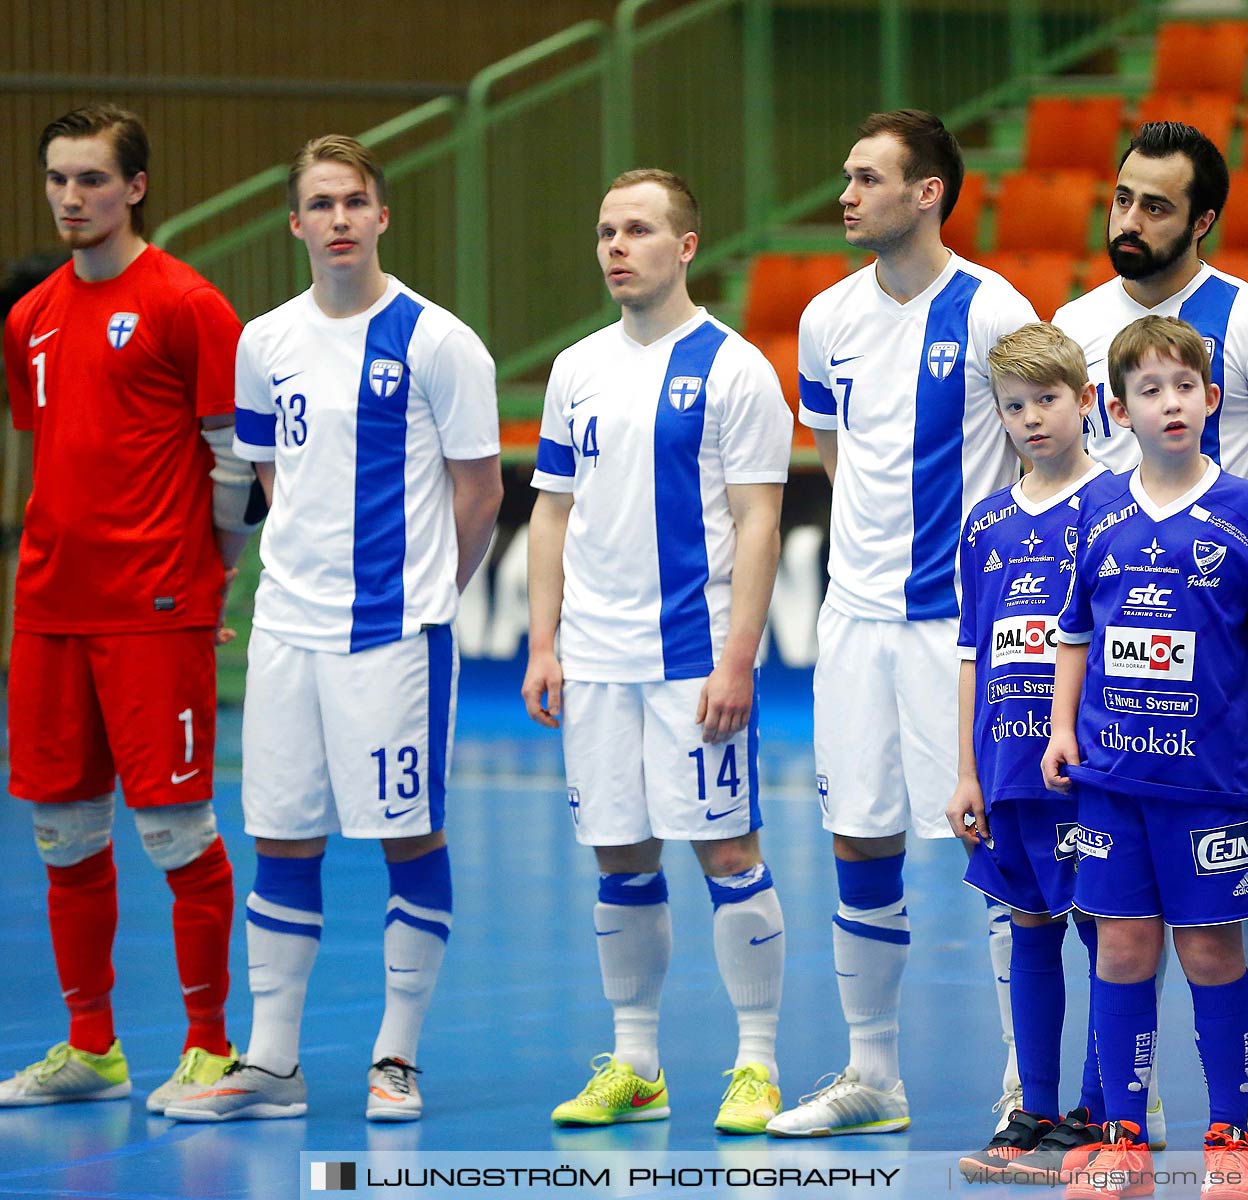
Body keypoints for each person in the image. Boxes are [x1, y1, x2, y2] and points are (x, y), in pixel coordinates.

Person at [165, 134, 502, 1122]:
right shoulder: (263, 343)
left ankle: (395, 1057)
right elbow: (272, 480)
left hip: (394, 636)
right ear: (296, 223)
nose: (341, 219)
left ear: (382, 215)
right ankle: (271, 1065)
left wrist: (427, 593)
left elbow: (477, 495)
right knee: (281, 831)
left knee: (407, 834)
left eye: (356, 200)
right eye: (322, 203)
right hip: (286, 634)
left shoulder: (440, 341)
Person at [1054, 119, 1248, 1164]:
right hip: (1123, 744)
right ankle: (1121, 1121)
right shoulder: (1077, 322)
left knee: (1234, 929)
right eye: (1122, 198)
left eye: (1156, 205)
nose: (1130, 219)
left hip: (1223, 711)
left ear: (1201, 218)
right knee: (1118, 936)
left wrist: (1224, 581)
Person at [767, 109, 1036, 1138]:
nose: (845, 193)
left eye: (867, 176)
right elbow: (837, 463)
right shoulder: (827, 317)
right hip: (854, 620)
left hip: (959, 630)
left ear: (928, 192)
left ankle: (1029, 1077)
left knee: (995, 843)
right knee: (859, 835)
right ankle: (872, 1077)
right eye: (847, 174)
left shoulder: (993, 310)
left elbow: (1044, 458)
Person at [521, 169, 791, 1134]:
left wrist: (738, 657)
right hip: (594, 661)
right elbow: (551, 514)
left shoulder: (735, 367)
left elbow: (761, 520)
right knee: (619, 856)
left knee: (726, 850)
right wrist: (543, 642)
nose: (616, 248)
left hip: (691, 658)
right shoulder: (576, 368)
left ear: (685, 245)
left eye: (637, 230)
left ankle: (755, 1064)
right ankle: (637, 1064)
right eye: (605, 231)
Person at [1, 104, 248, 1113]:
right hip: (50, 609)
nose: (72, 197)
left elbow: (233, 459)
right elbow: (47, 450)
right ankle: (91, 1047)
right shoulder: (28, 319)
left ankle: (209, 1048)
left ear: (135, 187)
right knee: (63, 834)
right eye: (58, 179)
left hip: (154, 609)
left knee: (176, 832)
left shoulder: (188, 304)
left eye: (92, 179)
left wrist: (206, 579)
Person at [1042, 315, 1248, 1200]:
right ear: (1117, 410)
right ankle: (1123, 1136)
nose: (1171, 402)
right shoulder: (1099, 509)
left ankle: (1228, 1133)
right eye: (1149, 390)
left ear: (1212, 399)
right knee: (1120, 949)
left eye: (1185, 386)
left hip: (1209, 787)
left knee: (1212, 954)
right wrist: (1061, 727)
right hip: (1112, 783)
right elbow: (1073, 631)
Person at [947, 323, 1111, 1180]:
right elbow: (974, 650)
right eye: (1015, 406)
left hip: (1084, 767)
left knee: (1103, 932)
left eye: (1048, 400)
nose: (1033, 419)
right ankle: (1035, 1110)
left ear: (1085, 401)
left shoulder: (1115, 505)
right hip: (1006, 766)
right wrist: (967, 770)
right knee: (1031, 928)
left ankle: (1099, 1113)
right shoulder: (986, 523)